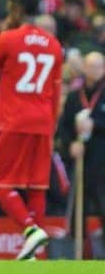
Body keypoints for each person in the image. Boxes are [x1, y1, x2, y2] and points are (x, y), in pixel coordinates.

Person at [0, 0, 63, 260]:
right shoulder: (53, 44)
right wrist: (51, 126)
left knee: (0, 184)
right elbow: (56, 91)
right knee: (36, 186)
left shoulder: (8, 38)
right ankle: (35, 254)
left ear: (16, 9)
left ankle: (30, 231)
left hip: (13, 120)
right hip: (43, 122)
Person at [58, 52, 105, 251]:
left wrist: (95, 125)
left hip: (102, 163)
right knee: (79, 210)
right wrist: (70, 144)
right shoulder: (74, 97)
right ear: (84, 68)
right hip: (81, 162)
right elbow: (65, 126)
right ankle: (80, 254)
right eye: (90, 66)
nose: (94, 70)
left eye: (98, 66)